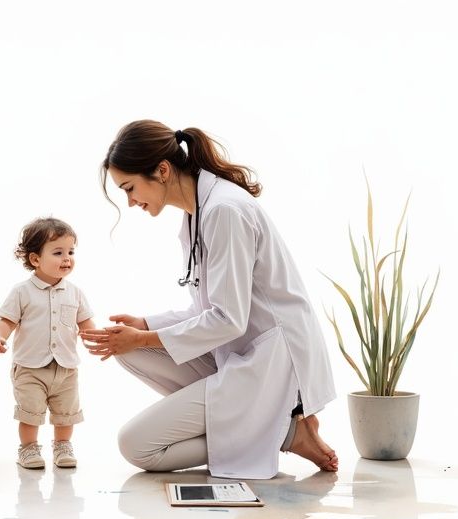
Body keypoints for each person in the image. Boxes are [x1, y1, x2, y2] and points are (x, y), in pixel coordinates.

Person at [81, 120, 338, 479]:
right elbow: (206, 309)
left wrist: (144, 337)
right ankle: (269, 424)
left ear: (162, 170)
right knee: (126, 350)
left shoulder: (223, 210)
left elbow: (228, 319)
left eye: (130, 188)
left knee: (136, 445)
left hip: (271, 361)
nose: (131, 201)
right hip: (239, 350)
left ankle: (282, 430)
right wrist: (144, 326)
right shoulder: (196, 214)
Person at [0, 218, 95, 469]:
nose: (67, 258)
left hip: (66, 367)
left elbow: (86, 323)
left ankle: (62, 446)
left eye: (71, 252)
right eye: (58, 253)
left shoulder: (75, 292)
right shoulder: (22, 291)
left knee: (66, 413)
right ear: (35, 259)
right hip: (30, 367)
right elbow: (6, 321)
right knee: (30, 412)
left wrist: (97, 338)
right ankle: (28, 449)